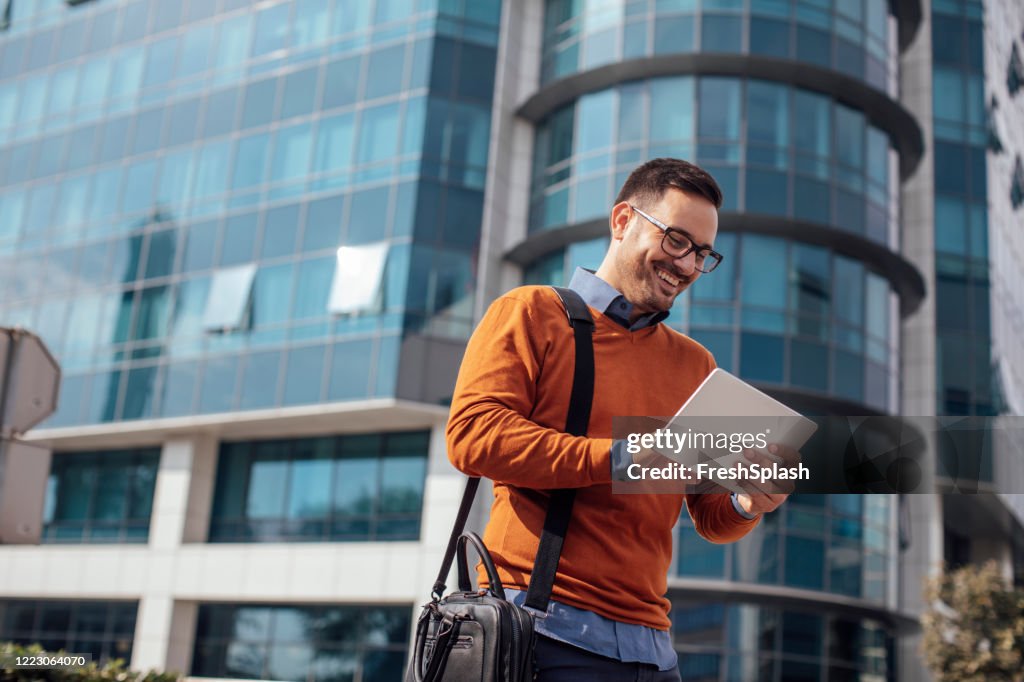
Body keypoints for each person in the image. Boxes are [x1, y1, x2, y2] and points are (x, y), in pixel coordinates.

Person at [446, 158, 792, 681]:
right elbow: (473, 436)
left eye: (702, 253)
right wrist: (622, 455)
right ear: (623, 221)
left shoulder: (696, 364)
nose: (688, 265)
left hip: (652, 649)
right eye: (677, 240)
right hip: (543, 631)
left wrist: (747, 501)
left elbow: (709, 514)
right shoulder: (531, 311)